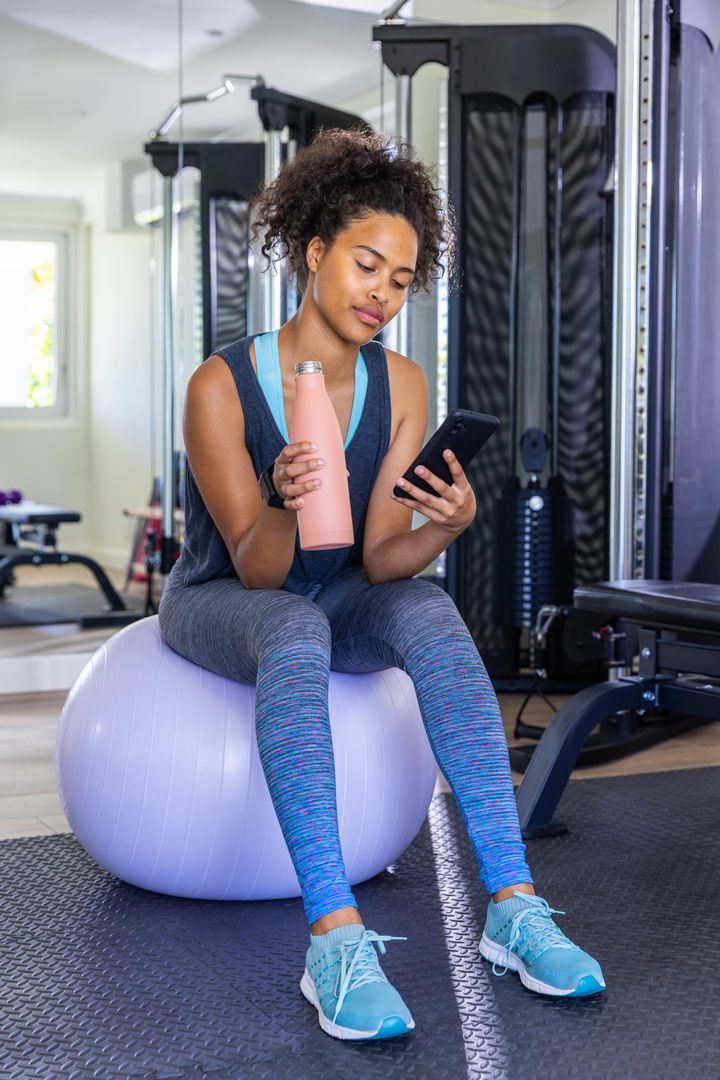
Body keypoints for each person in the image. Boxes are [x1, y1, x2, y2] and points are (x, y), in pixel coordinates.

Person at [158, 127, 605, 1042]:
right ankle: (335, 940)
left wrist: (443, 527)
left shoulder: (401, 382)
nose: (383, 296)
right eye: (367, 266)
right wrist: (284, 497)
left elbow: (380, 555)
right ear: (315, 251)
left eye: (401, 281)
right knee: (293, 626)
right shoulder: (220, 386)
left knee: (430, 608)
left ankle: (514, 905)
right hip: (223, 597)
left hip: (335, 590)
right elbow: (256, 566)